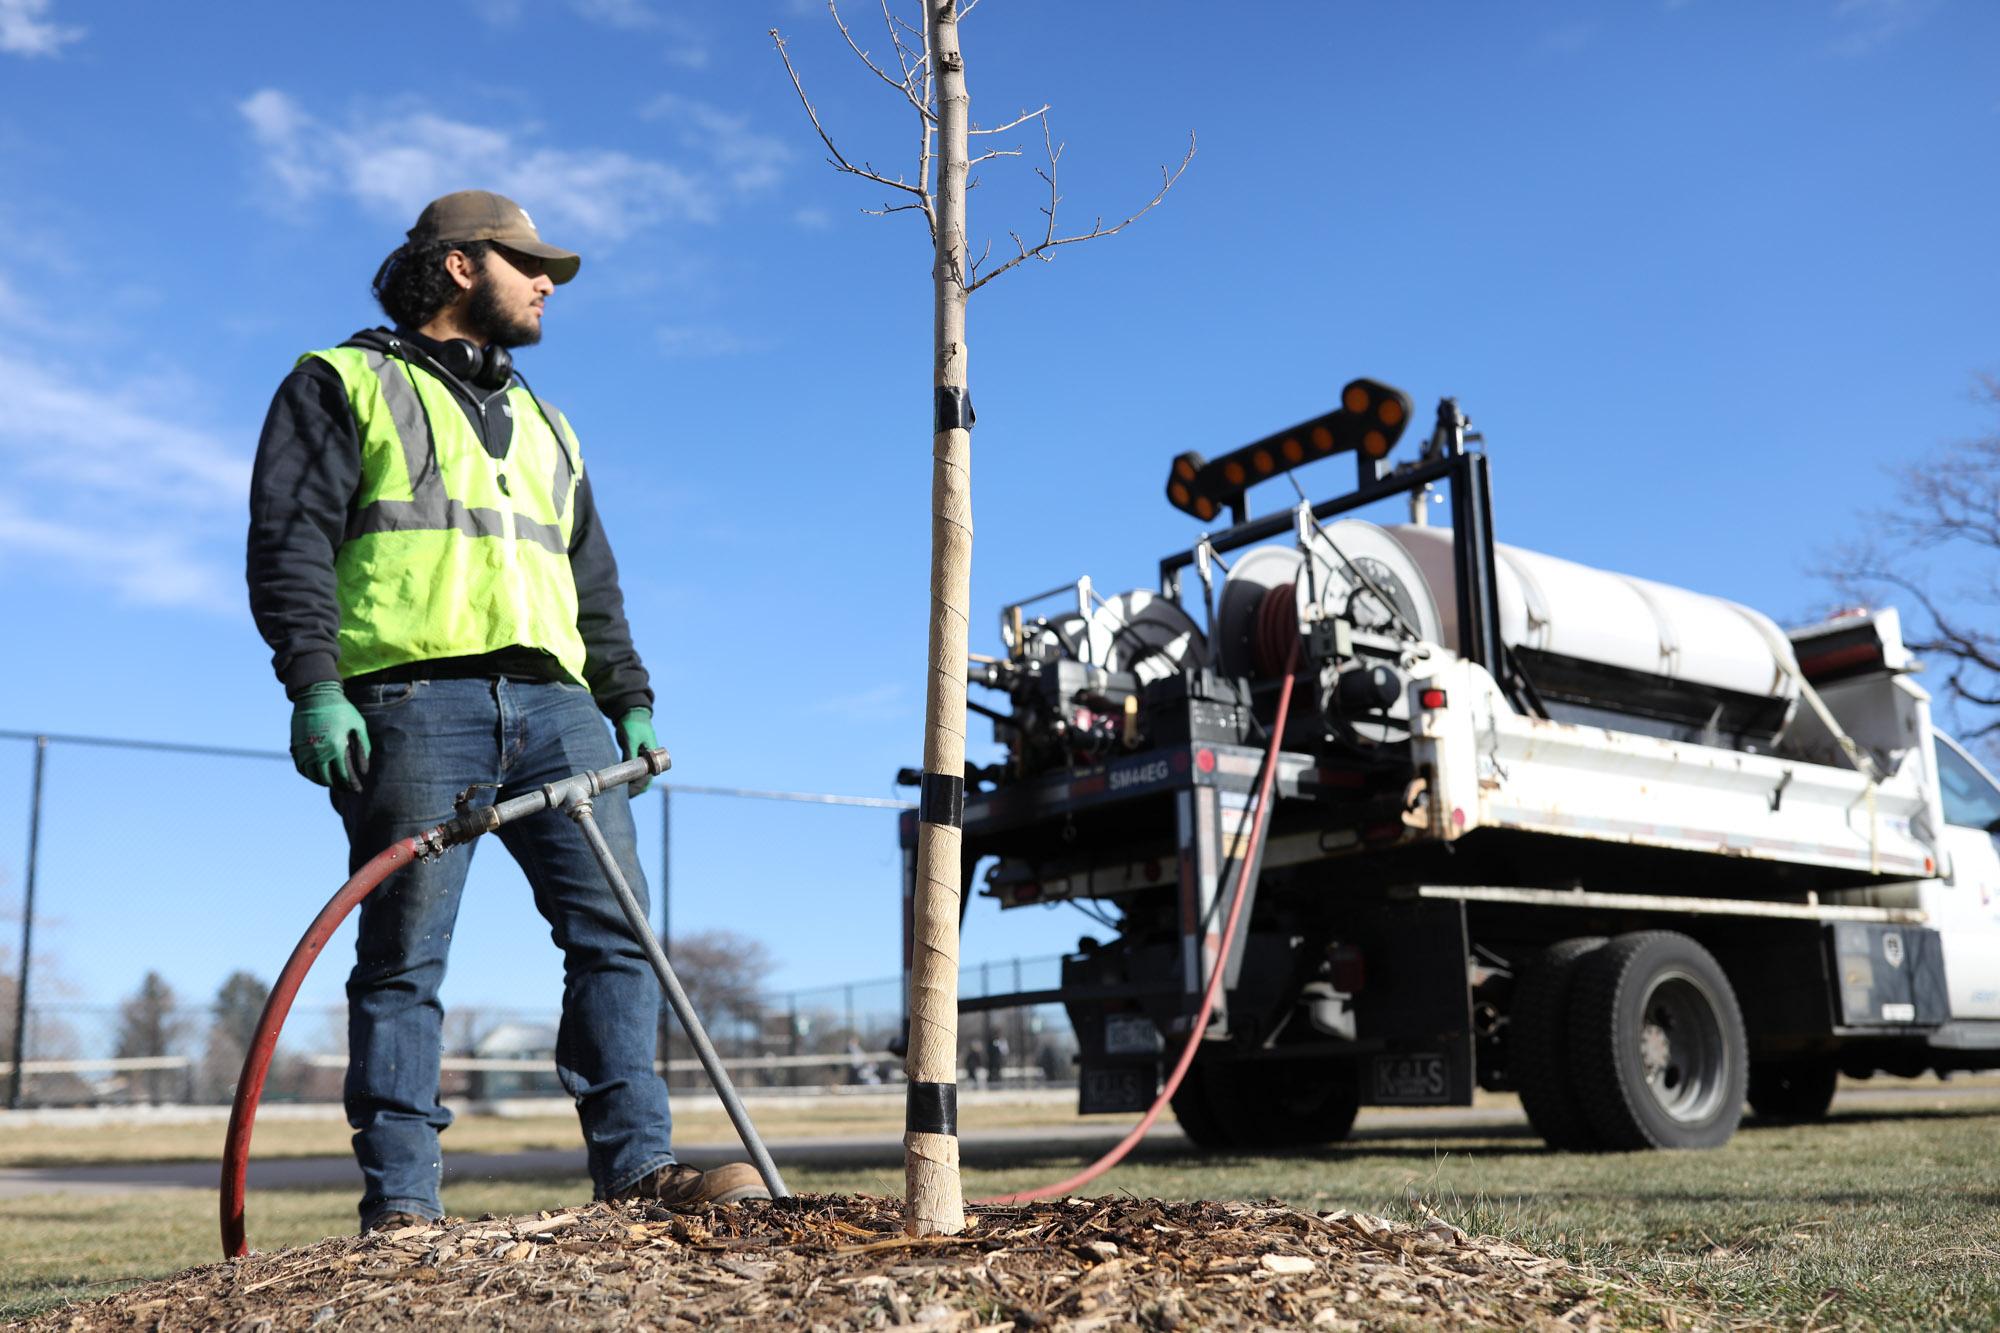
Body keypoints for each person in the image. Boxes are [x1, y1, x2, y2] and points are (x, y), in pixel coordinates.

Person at [247, 189, 765, 1232]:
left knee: (618, 938)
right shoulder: (340, 382)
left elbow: (593, 582)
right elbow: (290, 538)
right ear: (455, 265)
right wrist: (314, 685)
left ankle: (637, 1172)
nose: (546, 284)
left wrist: (628, 697)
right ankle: (402, 1207)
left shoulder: (548, 423)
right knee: (404, 958)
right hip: (407, 703)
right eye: (527, 263)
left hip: (560, 708)